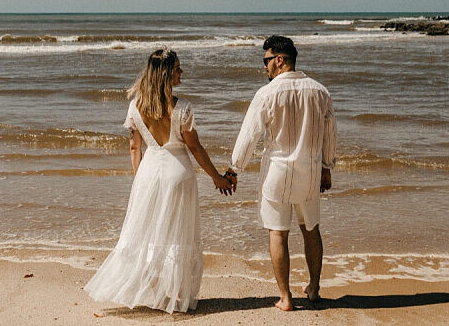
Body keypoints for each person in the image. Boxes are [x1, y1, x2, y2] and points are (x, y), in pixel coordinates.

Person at [85, 47, 235, 314]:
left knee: (149, 235)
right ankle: (177, 295)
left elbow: (134, 148)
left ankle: (153, 291)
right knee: (178, 236)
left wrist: (140, 182)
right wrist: (217, 177)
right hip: (178, 174)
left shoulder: (135, 107)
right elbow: (195, 148)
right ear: (165, 74)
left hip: (148, 173)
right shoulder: (182, 108)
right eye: (177, 69)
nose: (181, 72)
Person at [226, 35, 336, 311]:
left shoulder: (267, 93)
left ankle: (286, 297)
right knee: (311, 229)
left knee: (278, 233)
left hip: (277, 172)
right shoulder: (320, 91)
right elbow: (330, 135)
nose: (264, 67)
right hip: (310, 172)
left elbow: (249, 134)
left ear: (279, 60)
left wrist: (234, 168)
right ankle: (314, 289)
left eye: (265, 61)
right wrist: (327, 167)